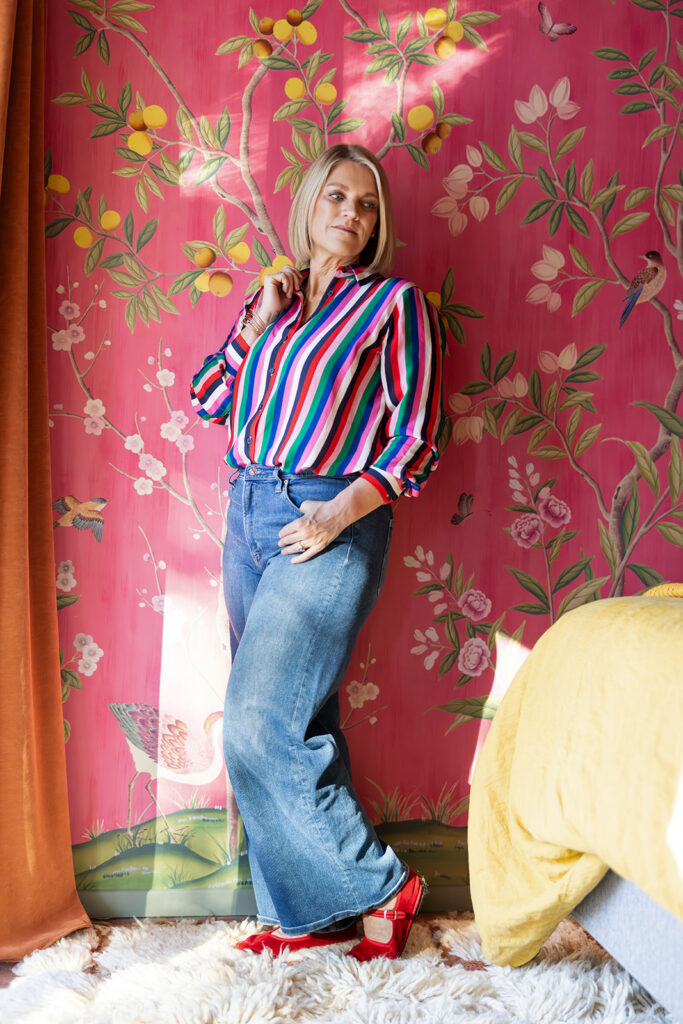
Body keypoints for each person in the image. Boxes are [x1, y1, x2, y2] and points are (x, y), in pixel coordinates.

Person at [190, 143, 443, 960]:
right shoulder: (275, 302)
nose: (350, 214)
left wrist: (337, 514)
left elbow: (415, 439)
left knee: (256, 725)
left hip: (327, 511)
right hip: (248, 509)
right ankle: (305, 918)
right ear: (308, 204)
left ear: (375, 225)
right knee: (298, 720)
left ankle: (379, 886)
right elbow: (206, 398)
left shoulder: (396, 305)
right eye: (336, 196)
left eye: (366, 205)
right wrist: (256, 322)